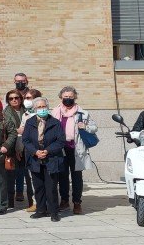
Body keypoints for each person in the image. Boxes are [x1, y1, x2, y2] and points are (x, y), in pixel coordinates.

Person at [52, 86, 96, 215]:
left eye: (70, 97)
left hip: (76, 148)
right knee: (62, 176)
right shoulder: (55, 112)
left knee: (77, 176)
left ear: (75, 97)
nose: (68, 99)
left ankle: (77, 202)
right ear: (61, 97)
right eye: (65, 97)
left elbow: (94, 127)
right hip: (60, 148)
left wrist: (85, 126)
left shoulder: (82, 113)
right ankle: (64, 200)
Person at [22, 97, 65, 222]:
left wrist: (47, 151)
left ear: (47, 107)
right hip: (35, 158)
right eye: (39, 107)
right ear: (35, 109)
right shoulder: (30, 122)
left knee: (51, 187)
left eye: (43, 106)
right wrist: (35, 152)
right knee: (38, 186)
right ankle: (41, 210)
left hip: (51, 158)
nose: (42, 109)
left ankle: (53, 212)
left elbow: (60, 140)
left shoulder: (55, 122)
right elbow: (26, 140)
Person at [18, 88, 42, 212]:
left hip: (41, 150)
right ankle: (35, 202)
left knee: (42, 178)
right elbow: (21, 132)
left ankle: (44, 202)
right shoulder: (25, 115)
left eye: (29, 98)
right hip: (29, 150)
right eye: (25, 98)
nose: (26, 101)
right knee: (32, 179)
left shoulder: (43, 114)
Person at [3, 90, 26, 209]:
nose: (14, 100)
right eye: (11, 98)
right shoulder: (5, 113)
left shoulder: (26, 110)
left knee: (22, 170)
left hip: (25, 144)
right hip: (11, 144)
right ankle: (10, 197)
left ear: (21, 99)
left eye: (16, 98)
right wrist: (16, 131)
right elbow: (4, 129)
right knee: (11, 171)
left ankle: (20, 192)